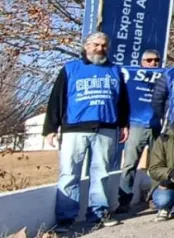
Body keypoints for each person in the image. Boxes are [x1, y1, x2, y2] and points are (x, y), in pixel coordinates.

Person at [43, 32, 130, 231]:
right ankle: (65, 219)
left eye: (104, 45)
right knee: (69, 174)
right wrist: (51, 128)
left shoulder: (115, 70)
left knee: (101, 173)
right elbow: (57, 98)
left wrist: (124, 124)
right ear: (86, 46)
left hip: (106, 128)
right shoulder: (70, 68)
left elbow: (123, 101)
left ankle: (98, 214)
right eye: (96, 45)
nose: (100, 49)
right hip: (74, 129)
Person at [116, 49, 163, 212]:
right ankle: (124, 200)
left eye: (156, 60)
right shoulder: (132, 76)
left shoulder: (164, 76)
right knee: (130, 164)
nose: (153, 63)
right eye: (149, 60)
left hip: (157, 125)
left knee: (159, 164)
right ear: (142, 62)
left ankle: (156, 198)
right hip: (136, 125)